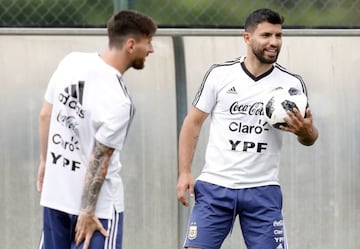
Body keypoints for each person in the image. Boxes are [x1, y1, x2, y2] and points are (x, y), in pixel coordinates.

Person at [176, 8, 318, 249]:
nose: (274, 42)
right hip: (215, 187)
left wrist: (305, 133)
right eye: (266, 35)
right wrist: (185, 173)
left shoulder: (292, 84)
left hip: (263, 190)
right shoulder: (220, 74)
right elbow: (193, 123)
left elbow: (310, 136)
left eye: (278, 36)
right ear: (247, 38)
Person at [36, 10, 157, 249]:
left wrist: (45, 161)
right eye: (149, 42)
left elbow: (45, 115)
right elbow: (99, 158)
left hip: (55, 196)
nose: (151, 50)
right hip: (96, 212)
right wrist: (88, 211)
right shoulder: (120, 100)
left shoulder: (71, 61)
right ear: (131, 45)